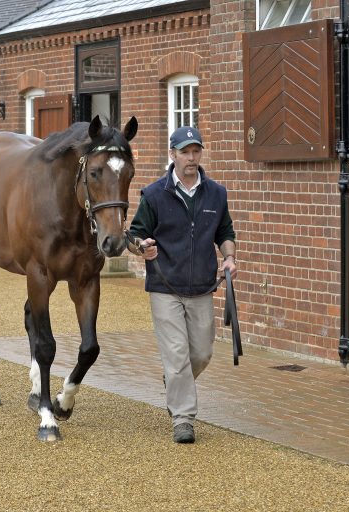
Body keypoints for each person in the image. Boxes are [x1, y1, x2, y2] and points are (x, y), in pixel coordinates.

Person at [128, 126, 237, 444]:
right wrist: (142, 247)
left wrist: (229, 257)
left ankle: (175, 381)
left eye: (195, 151)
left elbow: (225, 232)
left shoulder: (216, 193)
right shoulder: (154, 195)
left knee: (201, 353)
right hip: (165, 285)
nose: (191, 157)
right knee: (176, 354)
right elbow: (134, 235)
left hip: (202, 287)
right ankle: (183, 418)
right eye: (184, 151)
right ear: (172, 155)